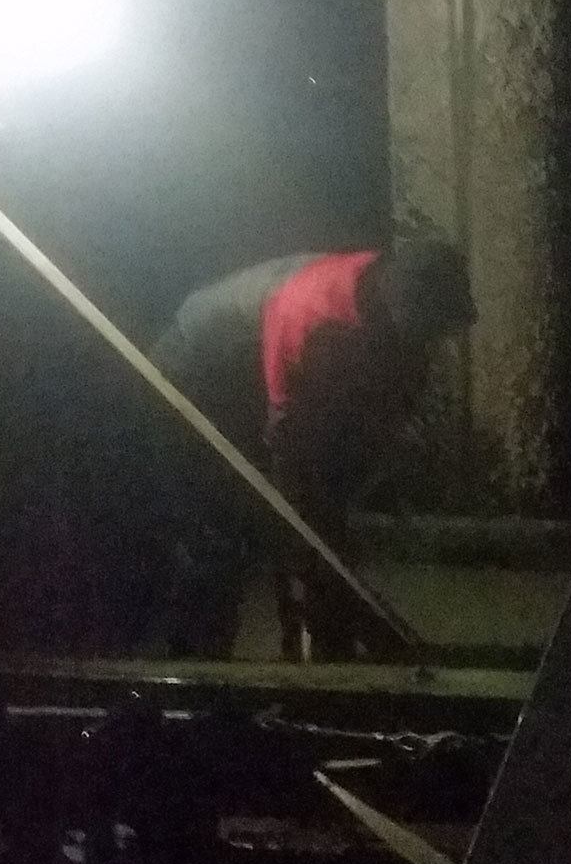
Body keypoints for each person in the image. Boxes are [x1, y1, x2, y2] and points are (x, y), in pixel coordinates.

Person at [146, 241, 475, 658]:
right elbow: (287, 436)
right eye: (429, 329)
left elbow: (389, 403)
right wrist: (308, 521)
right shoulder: (312, 313)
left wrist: (351, 491)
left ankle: (329, 647)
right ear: (402, 311)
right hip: (195, 369)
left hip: (265, 366)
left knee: (323, 519)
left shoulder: (390, 306)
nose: (434, 342)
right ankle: (196, 670)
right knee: (222, 528)